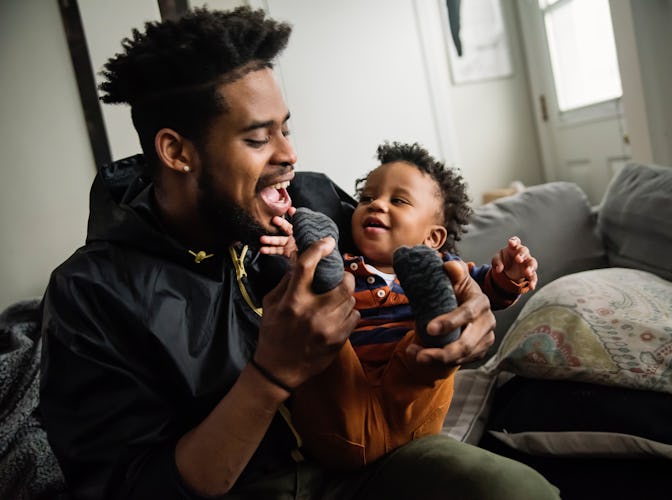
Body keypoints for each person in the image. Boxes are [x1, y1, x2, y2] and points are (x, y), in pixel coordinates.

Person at [38, 6, 560, 500]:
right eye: (259, 138)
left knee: (508, 489)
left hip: (368, 463)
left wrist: (471, 316)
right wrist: (269, 375)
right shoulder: (92, 294)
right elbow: (135, 488)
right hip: (242, 488)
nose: (290, 155)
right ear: (178, 152)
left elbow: (408, 273)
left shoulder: (314, 199)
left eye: (285, 128)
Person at [264, 141, 538, 470]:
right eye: (366, 198)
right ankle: (321, 259)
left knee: (429, 348)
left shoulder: (443, 269)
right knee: (326, 325)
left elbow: (488, 292)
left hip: (411, 396)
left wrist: (509, 275)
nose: (375, 205)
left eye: (398, 200)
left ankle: (436, 331)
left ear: (433, 239)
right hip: (344, 394)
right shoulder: (346, 265)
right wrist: (302, 259)